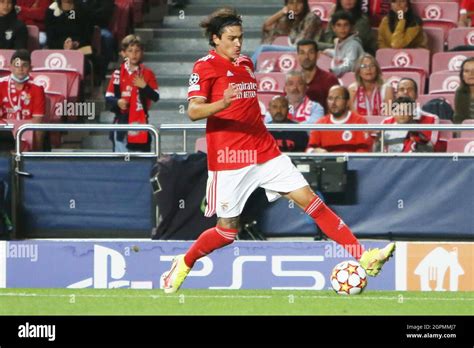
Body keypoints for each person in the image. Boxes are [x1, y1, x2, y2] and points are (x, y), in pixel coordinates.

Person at [161, 8, 395, 294]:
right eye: (232, 38)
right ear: (215, 39)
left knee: (312, 202)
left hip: (265, 151)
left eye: (241, 37)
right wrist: (221, 104)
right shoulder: (205, 67)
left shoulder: (246, 62)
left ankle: (364, 257)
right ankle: (184, 263)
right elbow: (194, 111)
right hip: (230, 160)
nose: (238, 44)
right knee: (226, 232)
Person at [105, 35, 159, 152]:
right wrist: (118, 101)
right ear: (123, 54)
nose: (134, 54)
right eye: (130, 51)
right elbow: (108, 97)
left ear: (142, 53)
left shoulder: (148, 73)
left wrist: (144, 86)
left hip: (141, 122)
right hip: (122, 123)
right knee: (121, 164)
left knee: (141, 163)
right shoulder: (117, 74)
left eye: (137, 51)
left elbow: (155, 96)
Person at [251, 0, 322, 66]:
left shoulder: (311, 17)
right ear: (286, 6)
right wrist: (281, 12)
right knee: (265, 48)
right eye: (291, 3)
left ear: (304, 4)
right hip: (291, 47)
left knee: (263, 48)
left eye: (299, 2)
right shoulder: (292, 17)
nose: (295, 6)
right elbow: (267, 26)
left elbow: (302, 40)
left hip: (303, 48)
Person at [0, 49, 44, 151]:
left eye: (24, 65)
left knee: (39, 128)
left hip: (27, 128)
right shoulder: (0, 84)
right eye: (17, 65)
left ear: (30, 68)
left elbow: (37, 119)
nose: (20, 69)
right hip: (4, 130)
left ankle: (36, 159)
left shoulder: (37, 88)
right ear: (10, 67)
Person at [307, 85, 373, 153]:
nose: (333, 102)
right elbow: (309, 148)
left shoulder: (359, 121)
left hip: (352, 162)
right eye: (330, 98)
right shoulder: (320, 123)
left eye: (338, 98)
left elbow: (364, 150)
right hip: (327, 162)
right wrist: (314, 151)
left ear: (347, 102)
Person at [297, 39, 339, 113]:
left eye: (311, 52)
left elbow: (336, 110)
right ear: (297, 56)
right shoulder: (292, 80)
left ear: (318, 55)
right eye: (302, 53)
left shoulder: (329, 80)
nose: (306, 57)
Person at [322, 11, 364, 77]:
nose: (342, 29)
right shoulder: (340, 42)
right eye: (339, 25)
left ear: (351, 27)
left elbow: (349, 65)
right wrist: (328, 52)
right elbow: (342, 56)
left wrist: (333, 71)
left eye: (346, 25)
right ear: (333, 28)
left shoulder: (353, 44)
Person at [454, 57, 474, 124]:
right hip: (466, 132)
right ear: (462, 75)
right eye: (466, 71)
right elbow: (458, 119)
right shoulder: (460, 92)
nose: (471, 74)